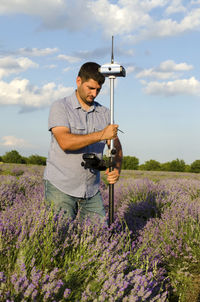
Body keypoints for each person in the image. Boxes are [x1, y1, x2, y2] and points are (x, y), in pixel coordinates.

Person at [44, 62, 123, 223]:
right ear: (78, 81)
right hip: (61, 186)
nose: (94, 94)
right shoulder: (60, 107)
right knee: (60, 236)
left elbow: (117, 146)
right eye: (90, 88)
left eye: (98, 90)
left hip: (91, 189)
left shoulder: (105, 113)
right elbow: (65, 142)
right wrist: (101, 134)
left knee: (98, 237)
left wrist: (116, 168)